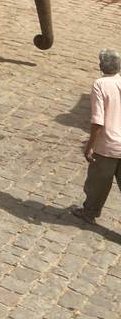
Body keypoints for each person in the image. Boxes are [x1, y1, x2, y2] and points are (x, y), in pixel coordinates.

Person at [72, 48, 121, 224]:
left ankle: (89, 213)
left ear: (101, 65)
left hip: (107, 146)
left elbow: (98, 122)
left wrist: (90, 146)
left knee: (97, 185)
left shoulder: (100, 85)